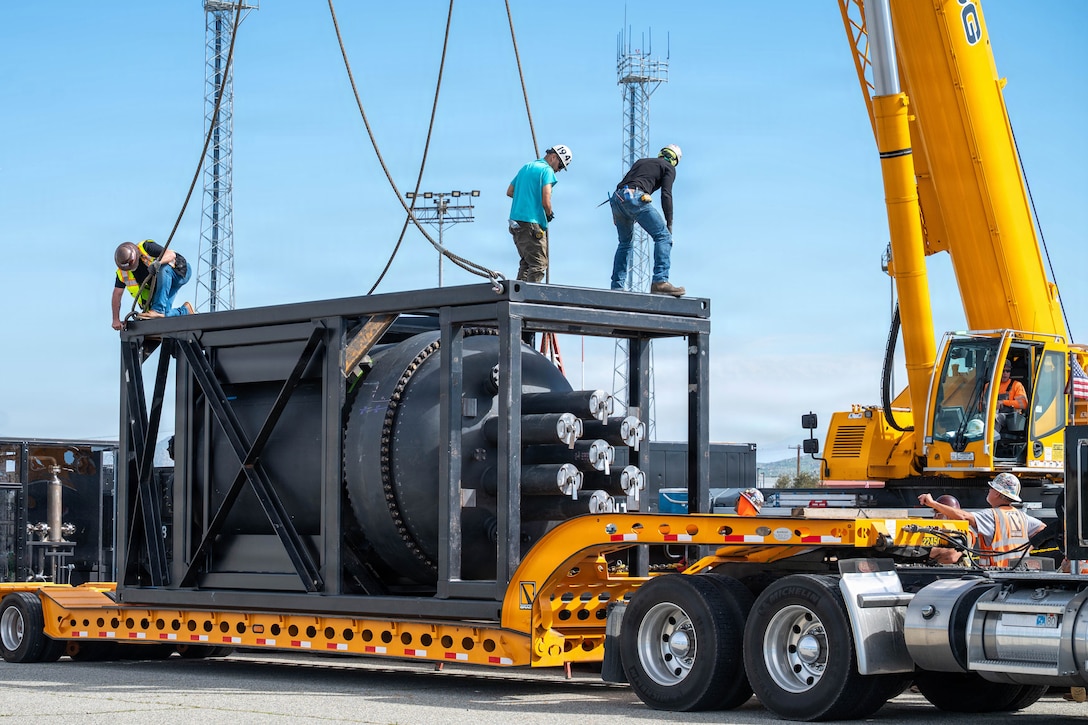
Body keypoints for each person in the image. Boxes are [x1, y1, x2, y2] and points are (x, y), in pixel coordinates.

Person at [918, 473, 1045, 567]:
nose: (988, 490)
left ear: (996, 493)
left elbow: (964, 517)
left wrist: (933, 503)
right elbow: (1043, 529)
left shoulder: (992, 515)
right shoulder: (1022, 516)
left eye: (991, 488)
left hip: (998, 572)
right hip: (1019, 571)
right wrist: (1027, 548)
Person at [609, 144, 684, 297]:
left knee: (624, 244)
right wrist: (669, 224)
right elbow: (666, 195)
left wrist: (620, 211)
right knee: (663, 237)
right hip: (635, 197)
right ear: (675, 160)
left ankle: (617, 287)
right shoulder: (669, 167)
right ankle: (660, 281)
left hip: (617, 199)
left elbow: (624, 183)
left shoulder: (642, 161)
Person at [507, 144, 572, 283]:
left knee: (527, 263)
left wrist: (527, 198)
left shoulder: (527, 167)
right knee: (538, 264)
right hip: (532, 223)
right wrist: (549, 213)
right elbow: (546, 199)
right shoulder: (546, 170)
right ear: (554, 157)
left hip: (516, 222)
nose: (558, 171)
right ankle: (530, 298)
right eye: (560, 166)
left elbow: (510, 191)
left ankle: (518, 296)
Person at [112, 240, 194, 330]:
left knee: (163, 268)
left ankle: (158, 309)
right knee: (162, 317)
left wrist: (157, 263)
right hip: (165, 285)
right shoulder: (122, 273)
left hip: (179, 272)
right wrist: (116, 319)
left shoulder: (145, 247)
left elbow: (171, 254)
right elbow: (117, 294)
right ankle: (185, 311)